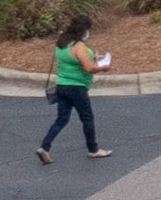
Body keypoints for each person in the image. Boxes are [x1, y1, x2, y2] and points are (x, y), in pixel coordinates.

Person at [37, 15, 109, 162]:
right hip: (77, 87)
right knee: (87, 118)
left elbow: (72, 60)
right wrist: (102, 67)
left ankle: (45, 146)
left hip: (62, 86)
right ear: (83, 30)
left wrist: (93, 55)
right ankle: (93, 149)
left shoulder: (61, 43)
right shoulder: (79, 46)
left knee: (61, 119)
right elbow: (88, 68)